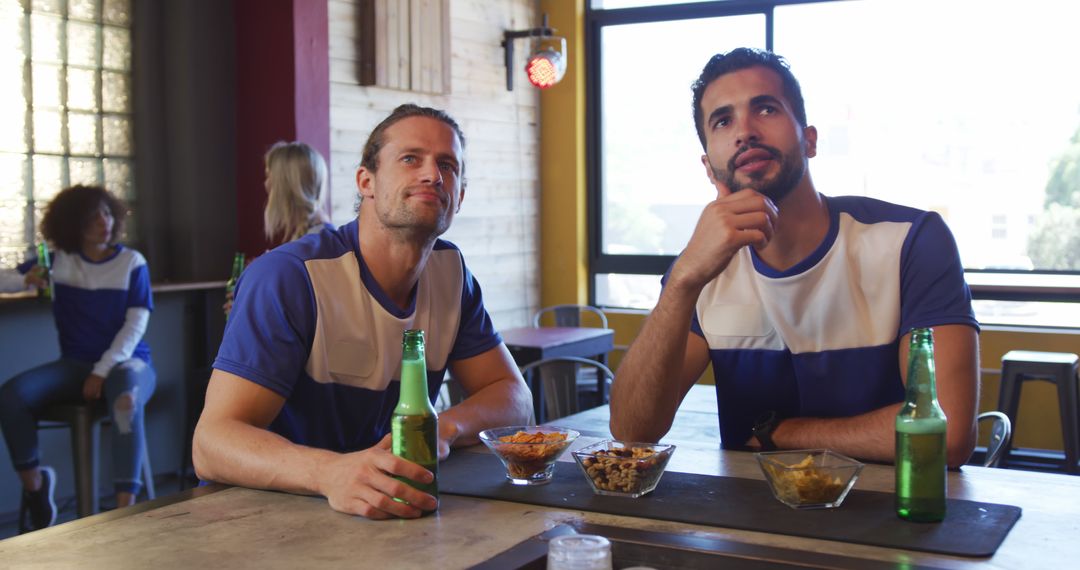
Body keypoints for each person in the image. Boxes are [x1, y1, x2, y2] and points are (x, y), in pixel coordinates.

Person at [609, 48, 979, 468]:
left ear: (810, 139)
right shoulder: (701, 269)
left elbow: (945, 434)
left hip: (893, 514)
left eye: (765, 109)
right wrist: (682, 282)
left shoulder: (911, 241)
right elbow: (631, 430)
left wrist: (782, 433)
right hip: (750, 520)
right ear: (709, 167)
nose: (744, 131)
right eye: (723, 120)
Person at [193, 103, 533, 519]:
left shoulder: (452, 275)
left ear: (459, 196)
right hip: (262, 518)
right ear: (365, 181)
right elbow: (211, 444)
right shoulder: (288, 278)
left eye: (447, 165)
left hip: (382, 514)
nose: (432, 175)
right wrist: (329, 472)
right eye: (411, 159)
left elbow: (515, 398)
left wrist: (442, 426)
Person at [0, 185, 156, 532]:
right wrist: (23, 278)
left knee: (126, 401)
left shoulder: (132, 262)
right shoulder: (59, 263)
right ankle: (37, 490)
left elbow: (135, 327)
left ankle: (122, 515)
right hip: (73, 366)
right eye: (91, 216)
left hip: (128, 364)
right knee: (10, 396)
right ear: (72, 225)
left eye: (106, 213)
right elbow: (7, 278)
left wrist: (102, 371)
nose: (103, 221)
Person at [224, 141, 333, 315]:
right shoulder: (317, 240)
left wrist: (248, 305)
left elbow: (303, 315)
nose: (266, 185)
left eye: (269, 177)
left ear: (286, 185)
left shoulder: (315, 248)